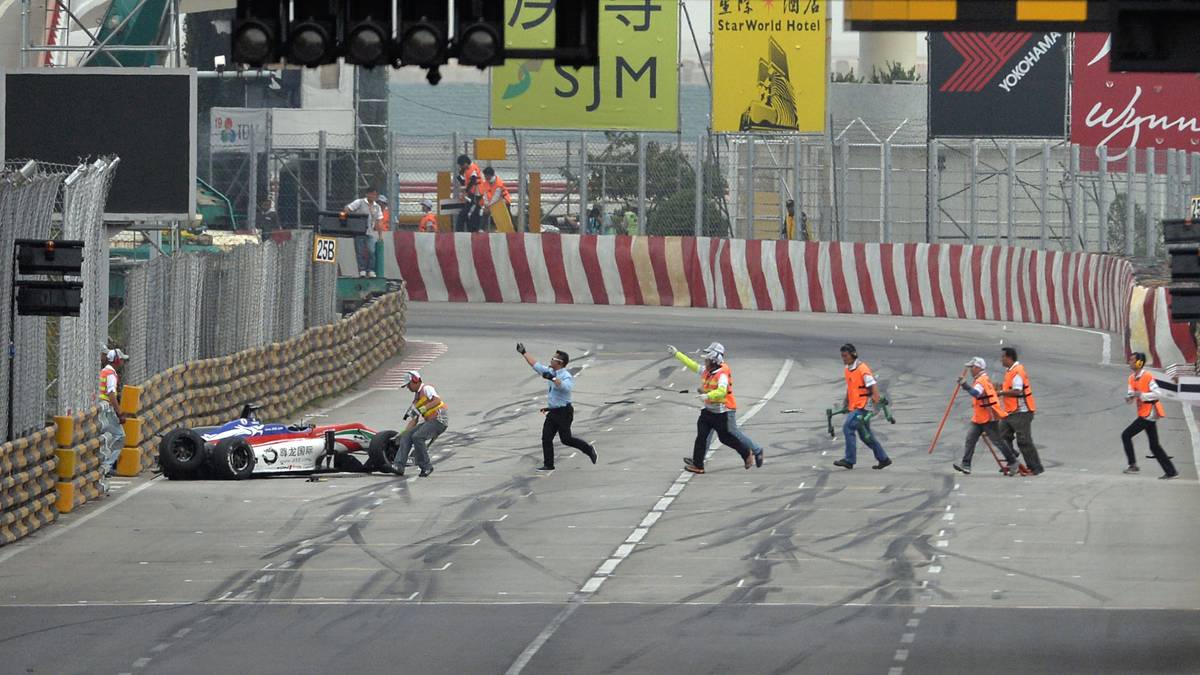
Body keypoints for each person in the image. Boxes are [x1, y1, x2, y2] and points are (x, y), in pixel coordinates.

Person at [668, 342, 754, 475]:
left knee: (725, 438)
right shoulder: (707, 371)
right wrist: (677, 354)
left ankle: (746, 452)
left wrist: (707, 395)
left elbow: (722, 391)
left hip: (719, 414)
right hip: (707, 412)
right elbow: (692, 365)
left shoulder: (721, 375)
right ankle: (698, 465)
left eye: (708, 359)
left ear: (714, 360)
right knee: (701, 437)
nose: (705, 361)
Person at [517, 343, 597, 471]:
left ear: (559, 362)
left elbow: (565, 388)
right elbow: (535, 365)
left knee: (566, 439)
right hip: (553, 412)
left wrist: (554, 379)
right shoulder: (550, 371)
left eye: (553, 359)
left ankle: (588, 449)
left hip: (564, 412)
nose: (551, 360)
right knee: (546, 438)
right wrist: (524, 352)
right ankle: (549, 464)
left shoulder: (565, 376)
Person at [953, 357, 1022, 476]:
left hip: (988, 418)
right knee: (970, 439)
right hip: (979, 417)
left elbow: (977, 394)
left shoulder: (981, 380)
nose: (970, 370)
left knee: (998, 442)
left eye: (972, 367)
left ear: (977, 368)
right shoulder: (981, 379)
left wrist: (965, 385)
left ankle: (1013, 462)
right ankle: (966, 464)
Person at [699, 345, 765, 467]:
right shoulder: (715, 367)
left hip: (725, 407)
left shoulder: (722, 369)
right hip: (715, 406)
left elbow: (721, 390)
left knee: (732, 432)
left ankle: (756, 450)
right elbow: (697, 368)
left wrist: (707, 394)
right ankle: (699, 460)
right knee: (707, 434)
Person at [833, 343, 892, 470]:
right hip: (855, 406)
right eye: (842, 356)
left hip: (864, 406)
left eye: (845, 356)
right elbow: (850, 388)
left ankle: (849, 460)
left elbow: (873, 385)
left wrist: (876, 400)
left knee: (848, 427)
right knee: (866, 435)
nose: (843, 359)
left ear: (853, 355)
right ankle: (883, 459)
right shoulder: (848, 369)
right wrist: (846, 402)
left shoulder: (862, 369)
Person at [1121, 352, 1178, 479]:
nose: (1130, 362)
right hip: (1144, 413)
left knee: (1126, 435)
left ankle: (1133, 465)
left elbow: (1158, 393)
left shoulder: (1147, 376)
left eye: (1132, 360)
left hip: (1149, 413)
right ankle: (1171, 471)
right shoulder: (1131, 378)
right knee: (1154, 445)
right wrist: (1129, 398)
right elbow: (1132, 393)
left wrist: (1142, 395)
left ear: (1139, 363)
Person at [996, 347, 1044, 475]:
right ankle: (1012, 460)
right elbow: (1009, 387)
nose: (1001, 359)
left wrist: (1000, 392)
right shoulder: (1010, 371)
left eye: (1003, 357)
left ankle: (1034, 467)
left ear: (1009, 358)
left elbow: (1017, 391)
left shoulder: (1017, 371)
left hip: (1021, 411)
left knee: (1024, 441)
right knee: (1001, 436)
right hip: (1010, 411)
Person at [390, 371, 446, 478]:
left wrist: (422, 409)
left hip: (439, 420)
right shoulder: (416, 398)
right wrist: (401, 434)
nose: (408, 388)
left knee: (418, 437)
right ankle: (398, 466)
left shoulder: (426, 388)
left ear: (415, 380)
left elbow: (437, 401)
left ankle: (426, 467)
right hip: (429, 422)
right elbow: (414, 420)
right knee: (407, 436)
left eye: (408, 385)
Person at [98, 348, 128, 493]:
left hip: (101, 408)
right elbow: (111, 393)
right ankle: (107, 466)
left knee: (106, 437)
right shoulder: (110, 374)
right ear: (116, 360)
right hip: (107, 409)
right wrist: (119, 412)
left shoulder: (104, 371)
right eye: (121, 360)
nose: (122, 362)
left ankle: (104, 464)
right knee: (120, 436)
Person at [342, 187, 383, 278]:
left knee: (371, 251)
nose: (373, 196)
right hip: (359, 231)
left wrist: (380, 235)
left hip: (370, 232)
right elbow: (347, 209)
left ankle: (371, 270)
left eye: (375, 194)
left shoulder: (377, 207)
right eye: (371, 194)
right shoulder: (359, 202)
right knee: (360, 252)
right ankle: (362, 270)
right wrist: (352, 220)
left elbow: (379, 221)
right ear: (367, 194)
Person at [455, 154, 484, 232]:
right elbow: (464, 181)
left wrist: (466, 191)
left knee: (467, 214)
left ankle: (462, 231)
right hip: (473, 195)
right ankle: (470, 231)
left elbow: (473, 180)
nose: (461, 167)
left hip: (476, 195)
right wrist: (460, 175)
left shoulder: (473, 169)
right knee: (469, 214)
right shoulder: (467, 169)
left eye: (461, 165)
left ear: (465, 163)